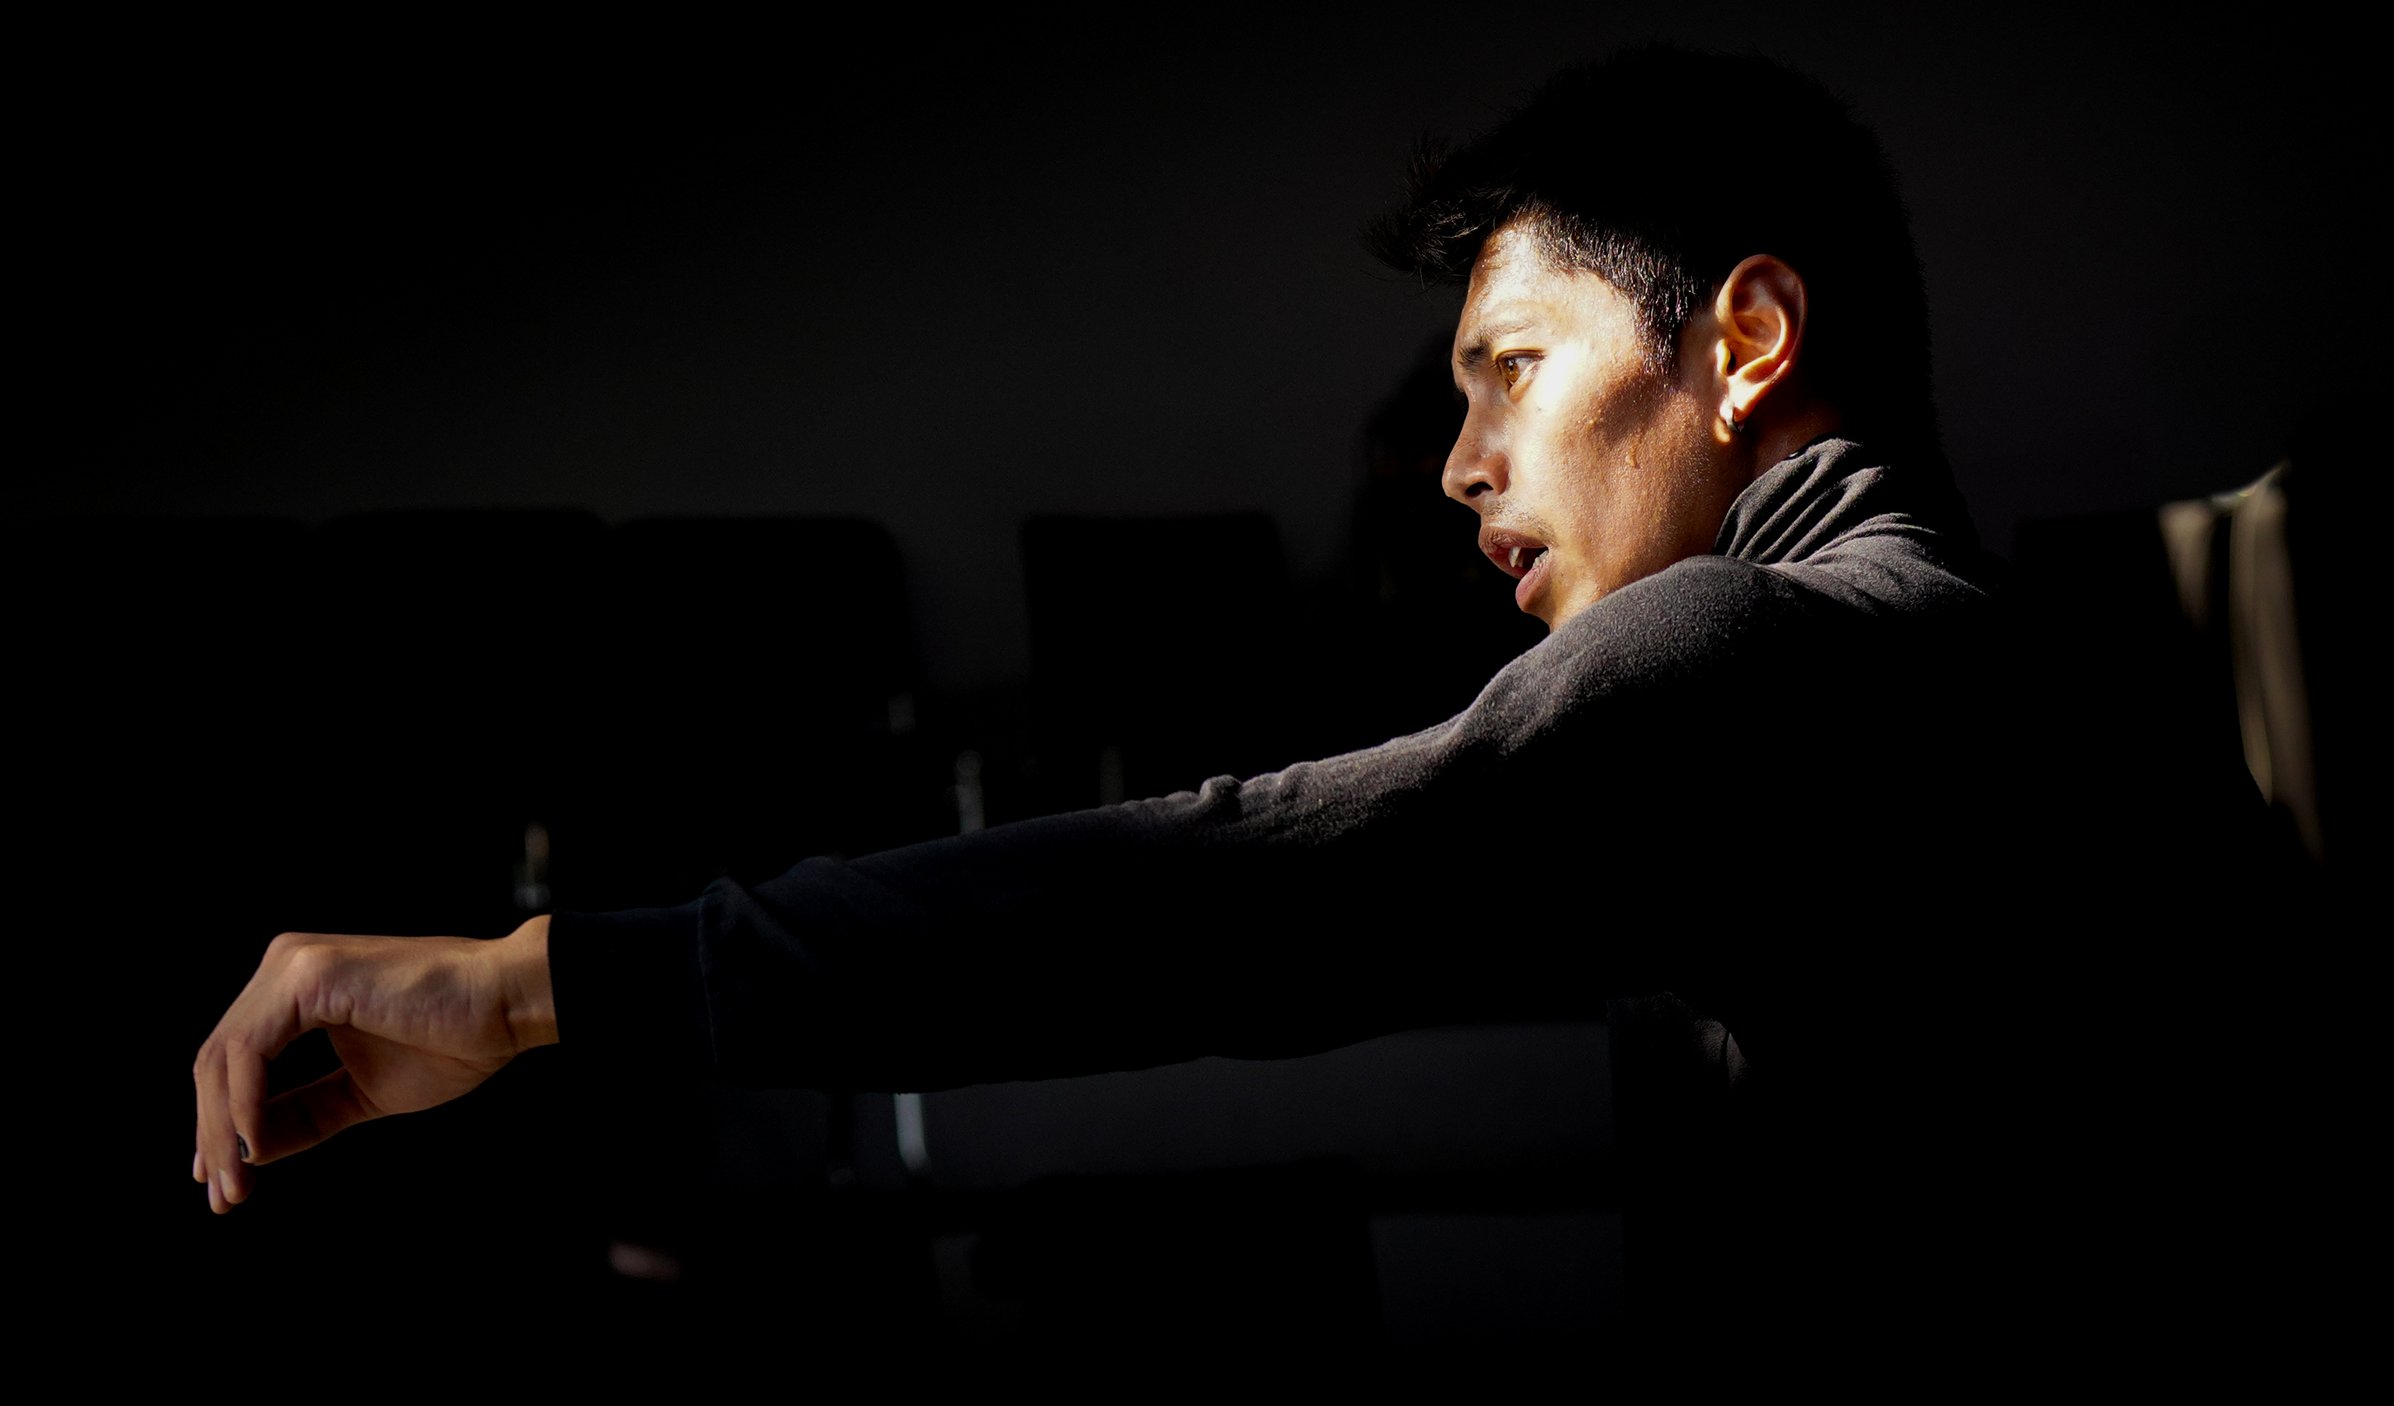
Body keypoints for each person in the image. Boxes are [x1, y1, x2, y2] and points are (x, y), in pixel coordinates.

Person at [191, 45, 2080, 1349]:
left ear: (1743, 341)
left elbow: (1221, 896)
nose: (1460, 462)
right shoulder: (1968, 669)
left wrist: (530, 983)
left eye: (1507, 367)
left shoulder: (1784, 658)